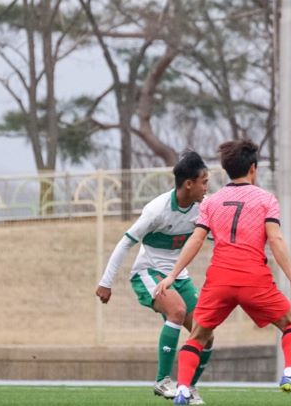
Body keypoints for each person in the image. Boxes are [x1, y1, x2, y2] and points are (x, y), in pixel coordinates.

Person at [154, 139, 291, 405]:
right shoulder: (266, 200)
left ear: (227, 169)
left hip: (219, 279)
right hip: (254, 278)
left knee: (197, 336)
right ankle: (289, 374)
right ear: (253, 168)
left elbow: (195, 240)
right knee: (290, 325)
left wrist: (172, 274)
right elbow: (275, 240)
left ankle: (183, 389)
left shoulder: (212, 201)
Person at [95, 151, 212, 404]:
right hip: (147, 273)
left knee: (206, 333)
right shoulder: (156, 210)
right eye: (204, 181)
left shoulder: (204, 208)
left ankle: (188, 388)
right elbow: (124, 244)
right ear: (188, 184)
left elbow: (217, 237)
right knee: (177, 311)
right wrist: (106, 282)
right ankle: (162, 381)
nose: (207, 187)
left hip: (178, 276)